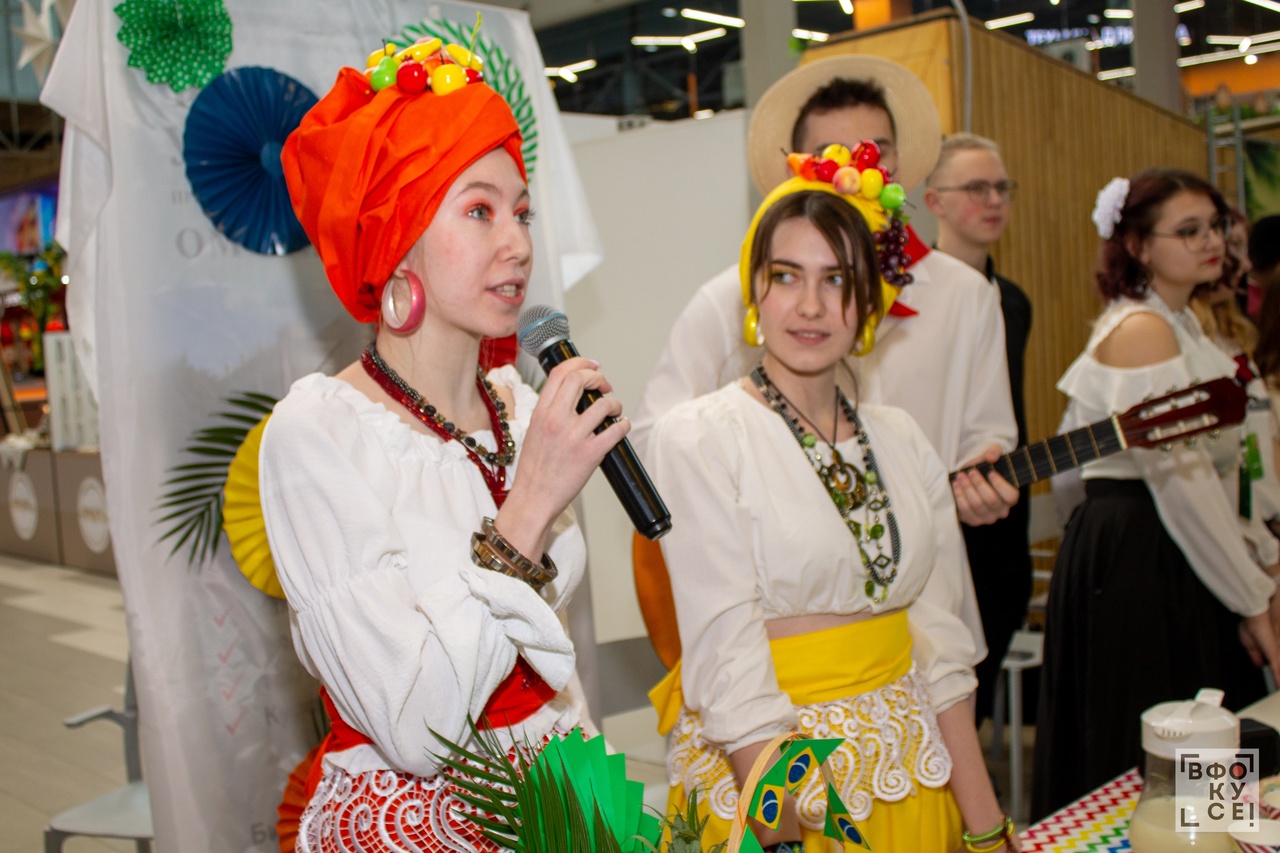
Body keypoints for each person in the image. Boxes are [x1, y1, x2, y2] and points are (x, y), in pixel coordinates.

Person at [260, 43, 627, 853]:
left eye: (522, 212)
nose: (518, 243)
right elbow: (418, 727)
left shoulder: (520, 406)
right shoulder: (320, 434)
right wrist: (529, 504)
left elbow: (550, 663)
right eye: (479, 210)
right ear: (397, 237)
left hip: (557, 798)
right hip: (416, 823)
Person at [648, 152, 1015, 853]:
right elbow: (732, 670)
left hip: (910, 783)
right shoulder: (701, 438)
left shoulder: (904, 439)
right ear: (755, 293)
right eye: (786, 276)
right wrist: (783, 837)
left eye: (836, 279)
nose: (810, 306)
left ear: (869, 301)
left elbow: (942, 657)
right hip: (773, 800)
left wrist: (988, 831)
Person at [631, 56, 1019, 532]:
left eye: (874, 152)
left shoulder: (966, 294)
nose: (854, 171)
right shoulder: (730, 297)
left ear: (896, 165)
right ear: (796, 170)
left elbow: (987, 432)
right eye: (831, 154)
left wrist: (984, 479)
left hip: (928, 558)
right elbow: (652, 445)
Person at [1032, 170, 1280, 819]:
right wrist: (1253, 598)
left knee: (1198, 757)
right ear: (1139, 246)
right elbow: (1183, 482)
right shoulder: (1142, 328)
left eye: (1215, 226)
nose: (1212, 242)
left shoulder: (1182, 322)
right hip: (1142, 554)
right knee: (1149, 762)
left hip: (1162, 546)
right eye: (1188, 231)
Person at [924, 132, 1033, 724]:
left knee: (975, 698)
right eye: (976, 188)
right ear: (934, 200)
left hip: (1001, 520)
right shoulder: (902, 299)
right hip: (931, 530)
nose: (994, 200)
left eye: (1002, 188)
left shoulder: (1012, 301)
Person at [1189, 208, 1280, 554]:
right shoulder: (1187, 345)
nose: (1245, 264)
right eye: (1235, 248)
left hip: (1265, 522)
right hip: (1230, 534)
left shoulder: (1237, 338)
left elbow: (1265, 438)